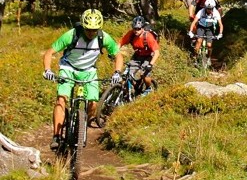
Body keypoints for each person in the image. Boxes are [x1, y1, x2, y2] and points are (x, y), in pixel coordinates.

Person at [42, 9, 123, 150]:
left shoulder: (103, 38)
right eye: (88, 30)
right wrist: (48, 69)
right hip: (68, 68)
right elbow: (50, 52)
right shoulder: (72, 35)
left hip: (89, 71)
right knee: (61, 99)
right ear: (83, 27)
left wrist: (117, 72)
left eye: (94, 30)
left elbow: (118, 55)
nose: (91, 33)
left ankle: (81, 125)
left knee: (93, 103)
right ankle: (56, 135)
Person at [119, 15, 160, 94]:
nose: (136, 31)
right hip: (137, 55)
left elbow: (157, 52)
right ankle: (129, 91)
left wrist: (150, 65)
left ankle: (148, 88)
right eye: (134, 28)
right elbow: (120, 43)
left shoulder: (148, 37)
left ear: (142, 28)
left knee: (144, 74)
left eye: (138, 29)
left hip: (148, 56)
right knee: (128, 74)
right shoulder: (131, 34)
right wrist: (114, 52)